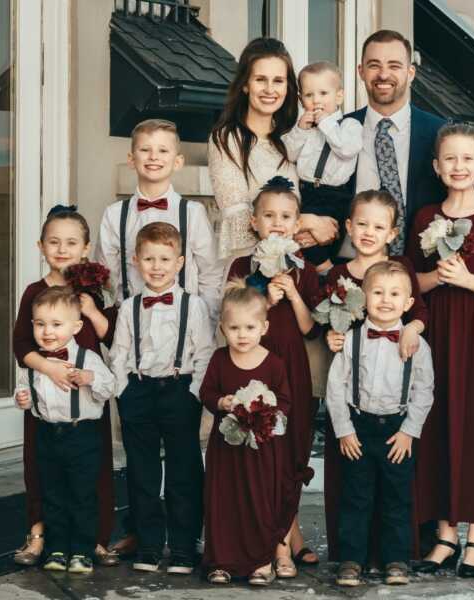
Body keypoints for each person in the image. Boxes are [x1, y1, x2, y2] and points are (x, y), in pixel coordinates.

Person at [406, 124, 474, 577]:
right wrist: (438, 276)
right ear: (437, 166)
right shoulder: (426, 216)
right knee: (437, 426)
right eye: (449, 159)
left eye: (467, 159)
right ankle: (445, 535)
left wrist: (467, 278)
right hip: (437, 334)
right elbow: (412, 281)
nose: (458, 167)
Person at [322, 189, 428, 563]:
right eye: (362, 224)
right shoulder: (338, 273)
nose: (368, 232)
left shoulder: (401, 269)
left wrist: (412, 328)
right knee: (354, 491)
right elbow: (329, 319)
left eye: (378, 225)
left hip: (395, 400)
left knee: (397, 494)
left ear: (391, 232)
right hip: (354, 396)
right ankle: (351, 557)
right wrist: (331, 334)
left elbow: (420, 312)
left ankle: (394, 558)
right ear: (349, 228)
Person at [12, 206, 119, 568]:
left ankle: (96, 538)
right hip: (45, 399)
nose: (62, 248)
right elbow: (21, 345)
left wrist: (90, 309)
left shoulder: (92, 292)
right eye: (54, 242)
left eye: (71, 242)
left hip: (86, 404)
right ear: (40, 246)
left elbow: (112, 336)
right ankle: (39, 532)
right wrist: (49, 368)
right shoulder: (34, 292)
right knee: (42, 470)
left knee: (94, 470)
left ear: (85, 248)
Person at [226, 177, 322, 571]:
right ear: (254, 221)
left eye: (285, 216)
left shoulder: (306, 269)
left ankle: (287, 534)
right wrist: (265, 297)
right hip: (253, 365)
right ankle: (275, 540)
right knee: (262, 452)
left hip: (292, 367)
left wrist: (294, 293)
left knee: (293, 449)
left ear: (297, 222)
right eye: (269, 216)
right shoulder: (240, 266)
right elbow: (233, 318)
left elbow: (309, 329)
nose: (277, 223)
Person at [109, 222, 215, 574]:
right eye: (149, 258)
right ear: (136, 261)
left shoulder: (194, 306)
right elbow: (119, 355)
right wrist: (124, 391)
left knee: (184, 471)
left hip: (179, 391)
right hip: (138, 391)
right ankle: (149, 544)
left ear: (180, 262)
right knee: (142, 471)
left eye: (165, 259)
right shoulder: (128, 308)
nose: (157, 266)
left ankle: (185, 546)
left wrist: (192, 395)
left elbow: (204, 355)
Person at [294, 29, 445, 258]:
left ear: (411, 72)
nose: (383, 74)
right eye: (374, 65)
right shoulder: (335, 130)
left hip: (416, 269)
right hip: (343, 264)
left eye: (394, 65)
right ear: (361, 71)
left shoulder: (439, 132)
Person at [208, 37, 338, 261]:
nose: (270, 89)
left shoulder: (294, 137)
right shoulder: (227, 138)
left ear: (288, 88)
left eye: (278, 81)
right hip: (248, 268)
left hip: (296, 266)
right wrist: (306, 222)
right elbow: (239, 223)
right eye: (260, 79)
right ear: (246, 85)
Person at [199, 282, 295, 586]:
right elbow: (206, 392)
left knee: (258, 500)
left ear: (264, 327)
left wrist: (267, 410)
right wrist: (222, 402)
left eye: (250, 327)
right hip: (226, 448)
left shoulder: (274, 364)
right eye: (234, 328)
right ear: (223, 329)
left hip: (261, 450)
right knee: (224, 500)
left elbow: (285, 402)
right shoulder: (219, 360)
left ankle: (260, 561)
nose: (242, 334)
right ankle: (222, 561)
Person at [96, 119, 222, 323]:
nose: (153, 157)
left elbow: (210, 274)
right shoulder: (114, 215)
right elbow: (107, 276)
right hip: (133, 325)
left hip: (184, 326)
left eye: (163, 150)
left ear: (178, 161)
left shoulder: (193, 213)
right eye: (145, 149)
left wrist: (206, 322)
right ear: (131, 159)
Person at [283, 61, 363, 272]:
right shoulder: (304, 128)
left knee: (331, 237)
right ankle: (326, 273)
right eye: (309, 95)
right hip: (307, 192)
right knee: (302, 236)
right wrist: (300, 129)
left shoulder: (349, 126)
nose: (316, 100)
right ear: (301, 100)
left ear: (339, 96)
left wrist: (326, 123)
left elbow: (345, 149)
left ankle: (329, 271)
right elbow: (289, 154)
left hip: (335, 195)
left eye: (323, 93)